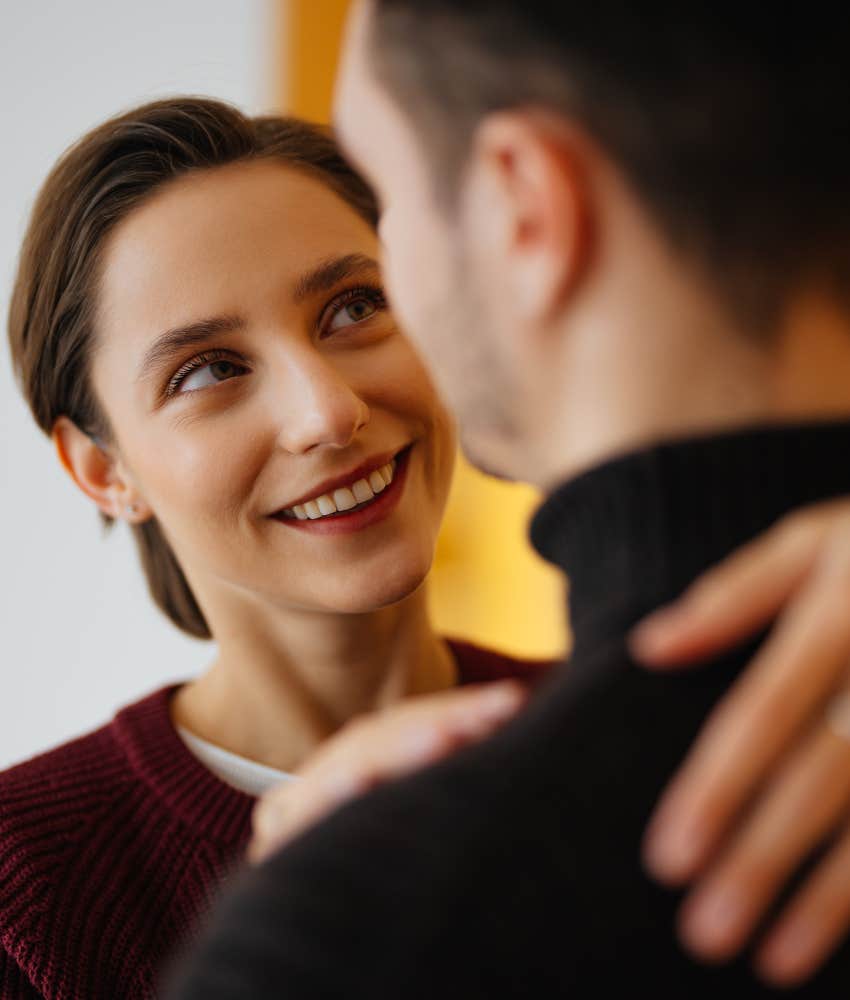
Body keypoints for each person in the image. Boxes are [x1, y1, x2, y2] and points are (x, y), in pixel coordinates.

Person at [166, 3, 850, 996]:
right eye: (209, 369)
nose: (328, 412)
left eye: (388, 197)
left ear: (520, 203)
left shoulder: (372, 927)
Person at [1, 99, 547, 1000]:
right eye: (209, 369)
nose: (329, 411)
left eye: (353, 307)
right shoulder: (25, 891)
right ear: (102, 469)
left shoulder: (655, 744)